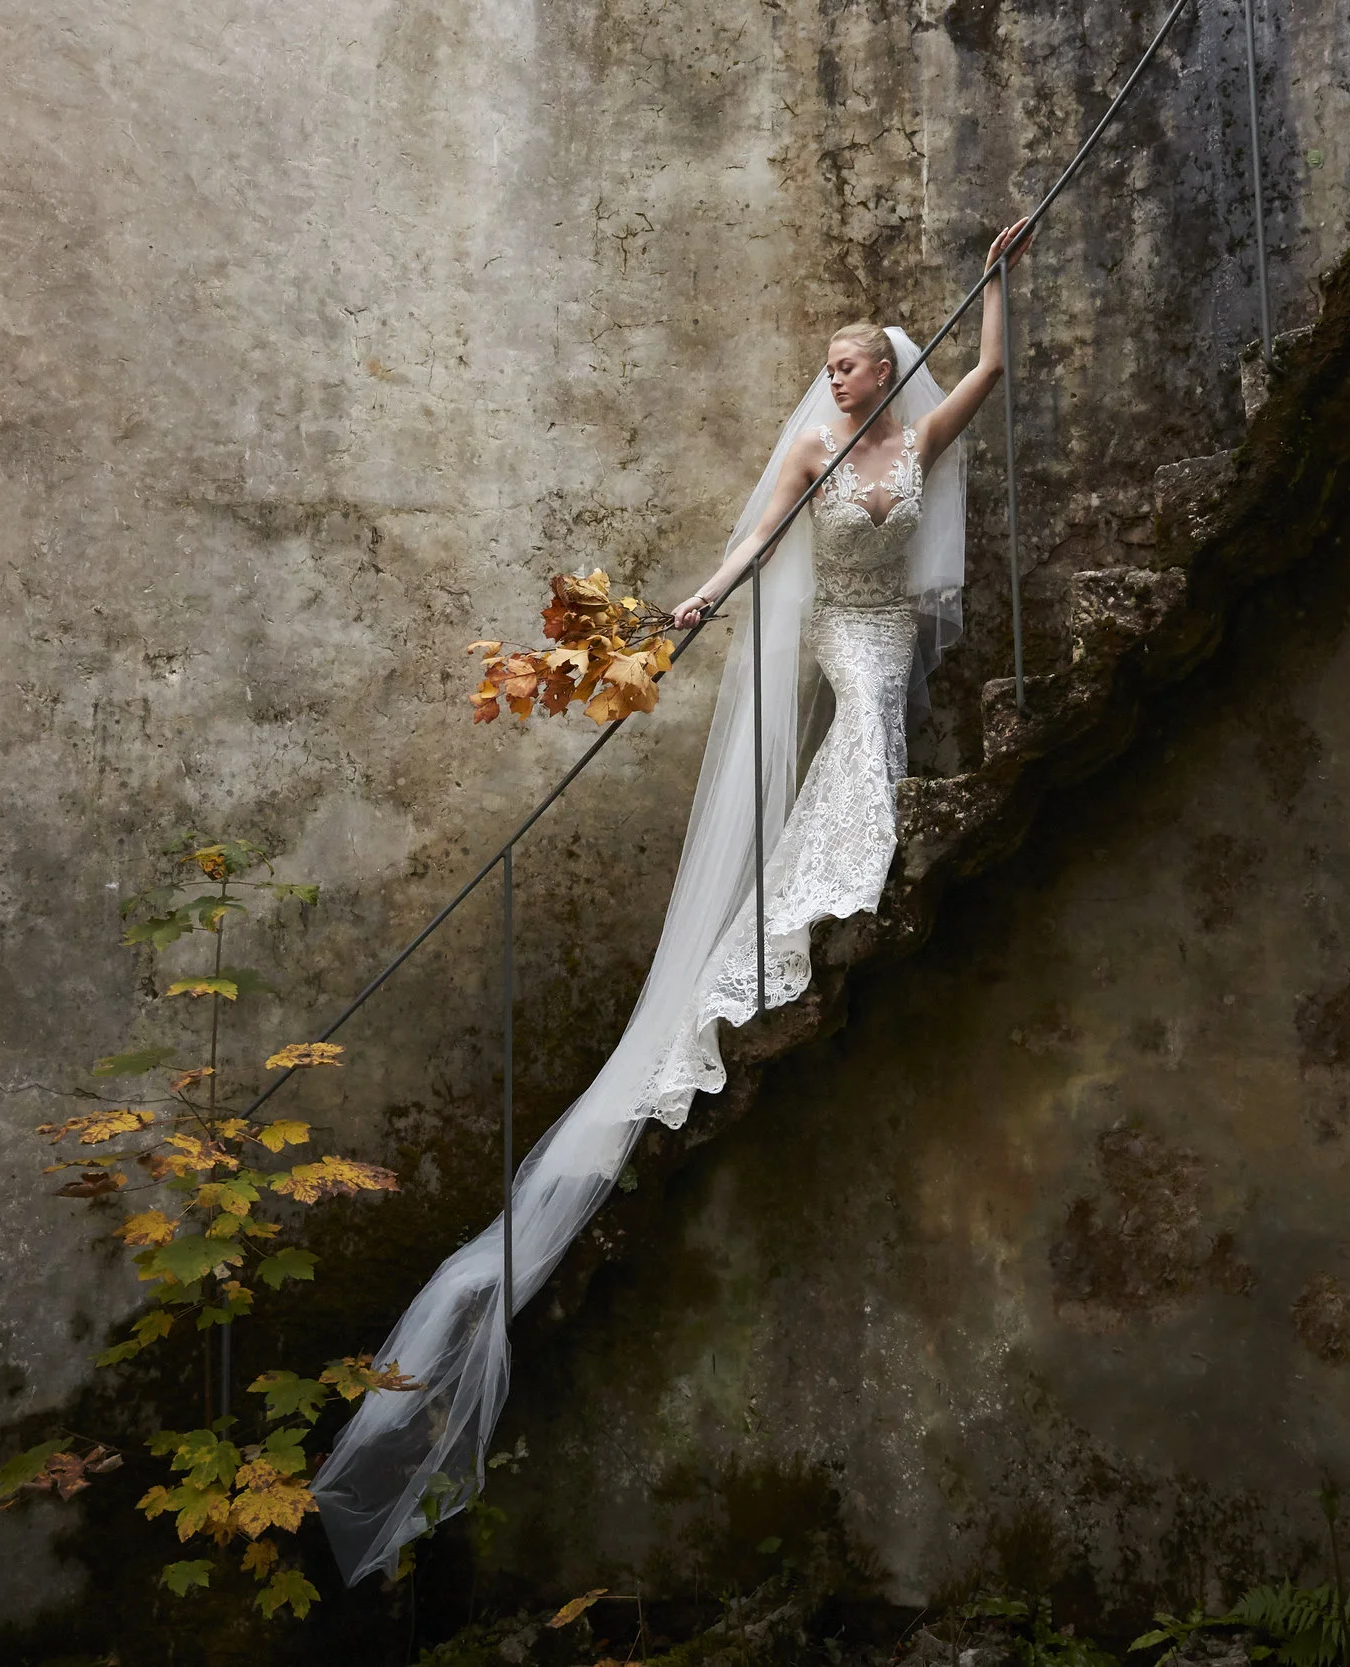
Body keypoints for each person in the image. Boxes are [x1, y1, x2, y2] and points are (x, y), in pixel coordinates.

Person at [312, 219, 1033, 1586]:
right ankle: (819, 887)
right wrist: (694, 606)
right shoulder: (816, 451)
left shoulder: (916, 441)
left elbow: (987, 377)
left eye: (850, 365)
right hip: (836, 627)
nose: (833, 378)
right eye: (827, 366)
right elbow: (758, 539)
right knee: (861, 726)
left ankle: (836, 876)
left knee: (874, 724)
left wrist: (996, 283)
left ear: (887, 373)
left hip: (882, 630)